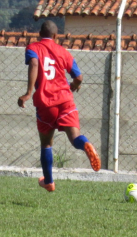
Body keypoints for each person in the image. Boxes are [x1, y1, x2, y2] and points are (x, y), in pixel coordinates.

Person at [17, 20, 100, 192]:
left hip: (45, 103)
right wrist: (73, 87)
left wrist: (28, 92)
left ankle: (49, 181)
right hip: (65, 101)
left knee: (46, 143)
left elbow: (33, 64)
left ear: (40, 34)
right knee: (75, 137)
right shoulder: (64, 52)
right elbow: (79, 77)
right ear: (56, 36)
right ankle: (85, 144)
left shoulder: (33, 48)